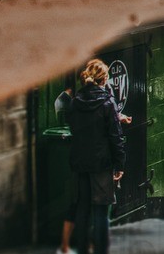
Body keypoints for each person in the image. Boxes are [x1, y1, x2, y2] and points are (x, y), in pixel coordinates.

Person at [55, 76, 132, 254]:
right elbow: (115, 136)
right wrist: (120, 163)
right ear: (103, 79)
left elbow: (75, 127)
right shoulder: (107, 102)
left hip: (80, 162)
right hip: (101, 163)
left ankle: (82, 249)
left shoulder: (74, 103)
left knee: (82, 208)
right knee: (101, 210)